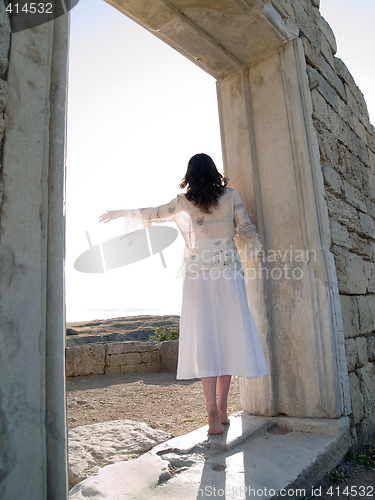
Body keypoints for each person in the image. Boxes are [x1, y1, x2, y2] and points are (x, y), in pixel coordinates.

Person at [99, 153, 268, 434]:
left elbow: (153, 213)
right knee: (228, 338)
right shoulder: (232, 196)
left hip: (197, 275)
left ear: (189, 174)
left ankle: (211, 413)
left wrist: (122, 213)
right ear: (215, 172)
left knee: (205, 341)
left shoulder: (183, 202)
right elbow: (247, 229)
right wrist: (259, 251)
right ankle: (223, 409)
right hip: (227, 272)